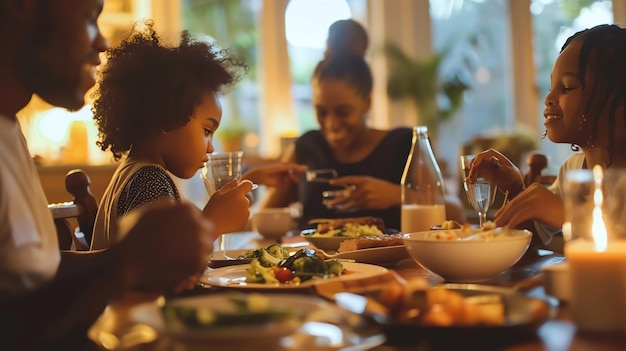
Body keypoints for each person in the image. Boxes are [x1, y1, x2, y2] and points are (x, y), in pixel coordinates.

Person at [0, 1, 216, 349]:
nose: (102, 42)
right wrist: (123, 262)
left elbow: (35, 275)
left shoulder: (10, 129)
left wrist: (130, 256)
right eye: (88, 17)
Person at [89, 22, 253, 250]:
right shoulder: (149, 180)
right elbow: (160, 267)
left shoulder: (133, 173)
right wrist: (212, 224)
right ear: (167, 117)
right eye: (206, 131)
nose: (211, 148)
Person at [467, 24, 626, 251]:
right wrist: (514, 187)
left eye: (567, 87)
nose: (549, 97)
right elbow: (532, 236)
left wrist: (570, 216)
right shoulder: (572, 171)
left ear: (619, 101)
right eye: (552, 86)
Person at [260, 53, 465, 230]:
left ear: (367, 103)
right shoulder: (306, 147)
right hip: (314, 270)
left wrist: (397, 195)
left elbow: (456, 213)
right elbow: (263, 218)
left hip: (394, 268)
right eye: (321, 112)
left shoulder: (405, 143)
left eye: (343, 112)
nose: (332, 124)